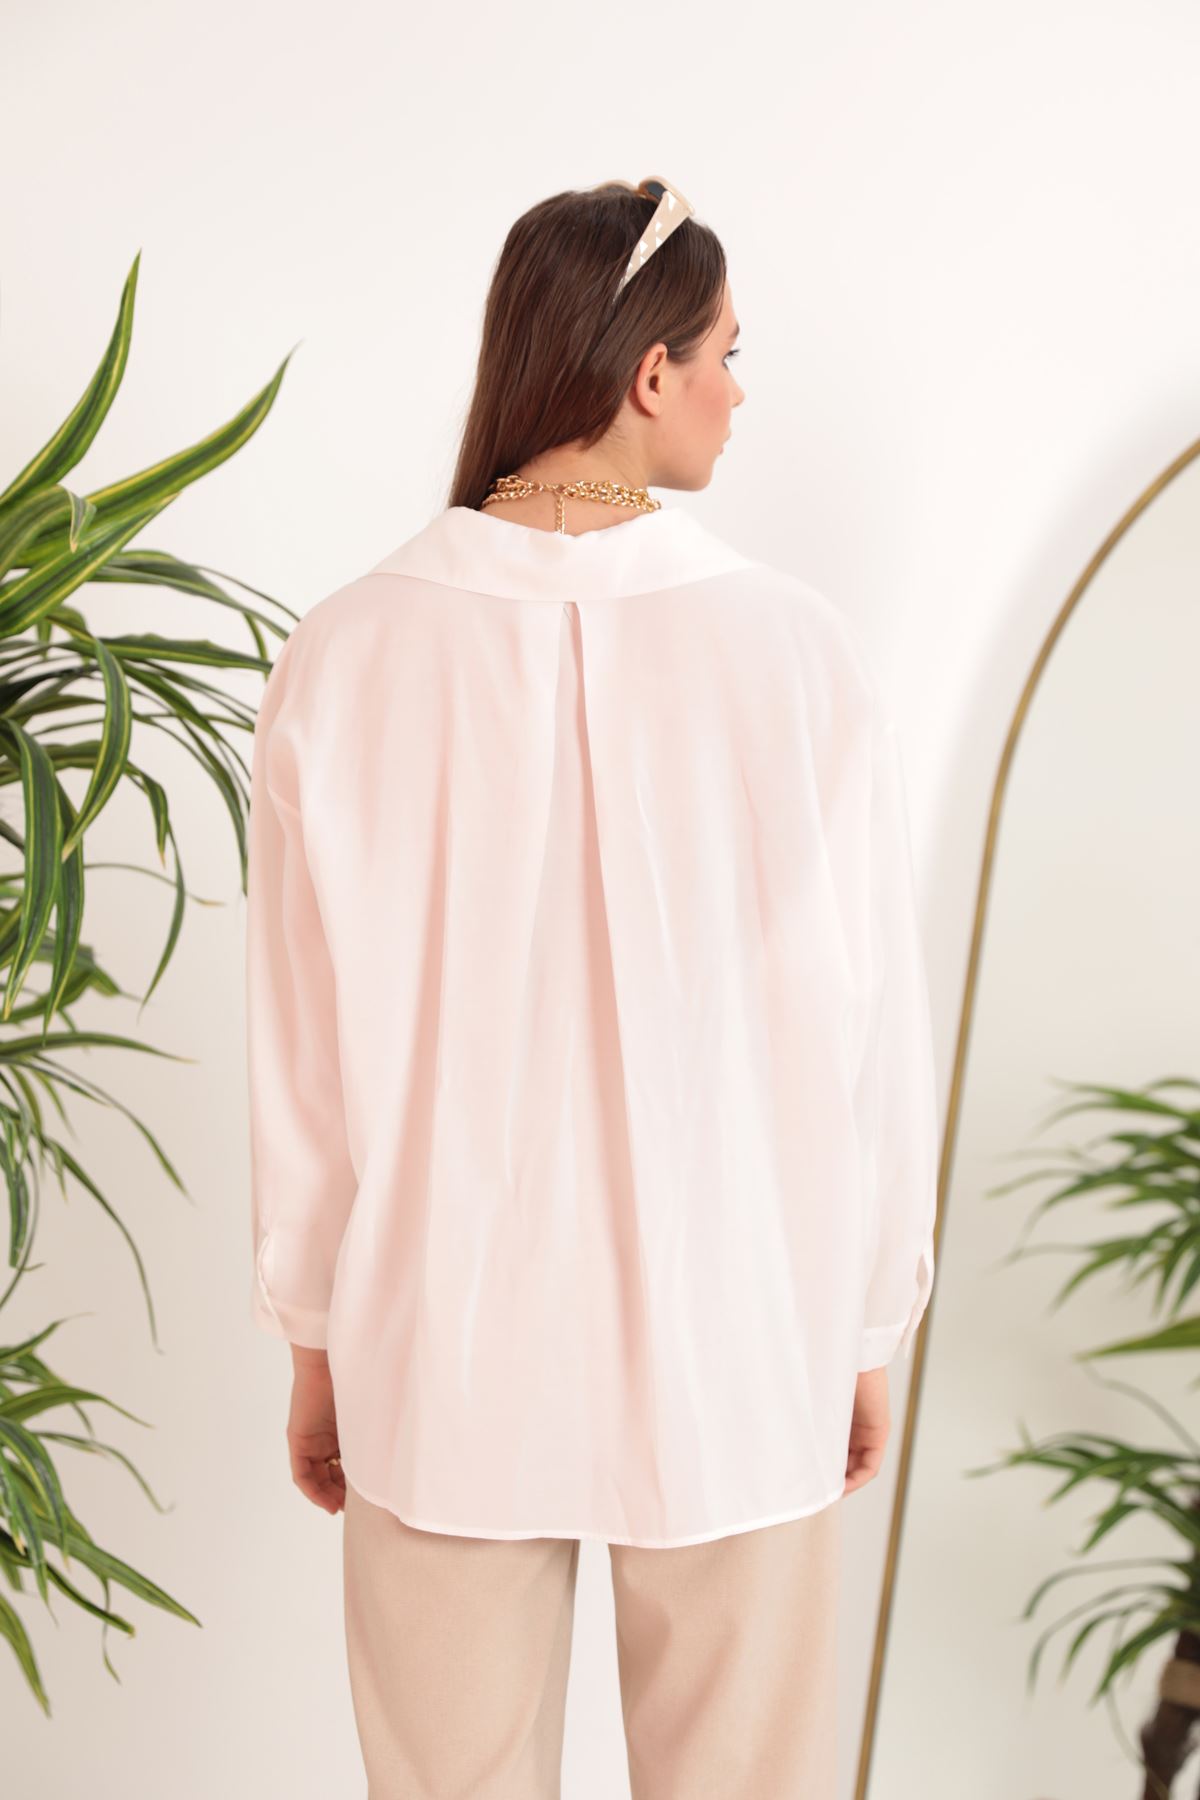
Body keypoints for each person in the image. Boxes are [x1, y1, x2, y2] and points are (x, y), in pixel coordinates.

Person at [244, 176, 939, 1799]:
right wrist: (860, 1319)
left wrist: (318, 1337)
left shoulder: (345, 652)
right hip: (739, 1336)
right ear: (648, 372)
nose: (738, 394)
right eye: (727, 354)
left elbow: (305, 1056)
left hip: (442, 1343)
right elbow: (871, 1036)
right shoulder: (798, 654)